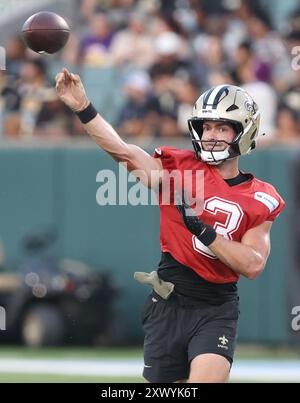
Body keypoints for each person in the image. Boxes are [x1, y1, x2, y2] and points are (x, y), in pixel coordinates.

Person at [55, 71, 285, 383]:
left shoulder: (262, 196)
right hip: (168, 300)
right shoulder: (180, 169)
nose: (211, 134)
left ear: (243, 132)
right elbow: (123, 151)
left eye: (222, 127)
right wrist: (83, 107)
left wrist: (201, 229)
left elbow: (253, 264)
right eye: (207, 126)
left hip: (215, 307)